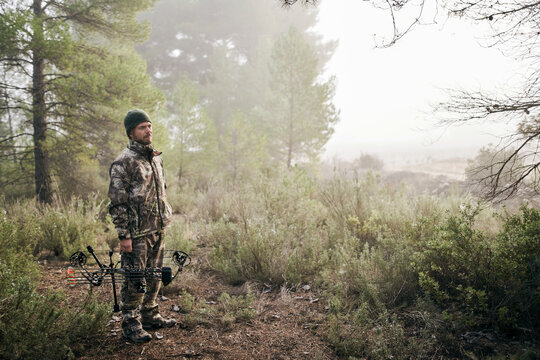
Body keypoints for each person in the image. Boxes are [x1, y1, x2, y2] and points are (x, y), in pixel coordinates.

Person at [108, 109, 175, 343]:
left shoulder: (156, 157)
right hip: (136, 234)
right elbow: (118, 202)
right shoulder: (122, 162)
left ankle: (150, 315)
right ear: (131, 133)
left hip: (157, 228)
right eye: (142, 127)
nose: (148, 130)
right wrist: (124, 235)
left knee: (154, 276)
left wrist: (163, 219)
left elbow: (161, 190)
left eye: (149, 125)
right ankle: (130, 323)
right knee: (135, 278)